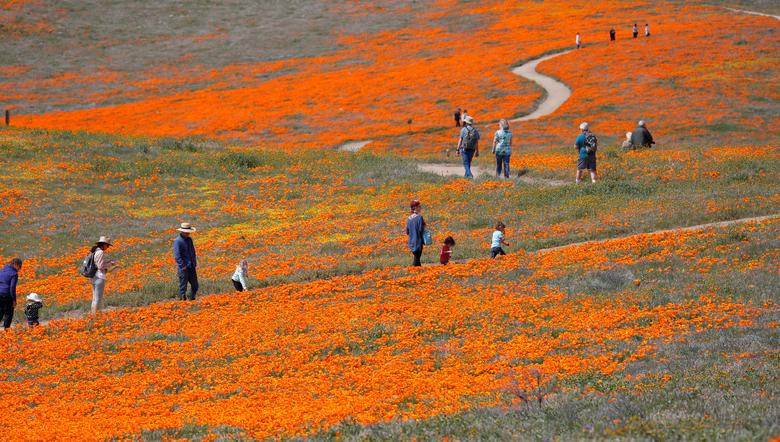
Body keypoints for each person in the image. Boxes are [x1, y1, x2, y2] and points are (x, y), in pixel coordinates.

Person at [90, 236, 118, 314]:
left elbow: (98, 264)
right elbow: (100, 266)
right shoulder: (101, 252)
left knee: (94, 298)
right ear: (104, 244)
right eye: (108, 245)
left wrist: (107, 262)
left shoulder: (95, 251)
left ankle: (93, 315)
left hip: (93, 277)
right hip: (99, 277)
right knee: (97, 299)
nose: (108, 247)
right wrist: (110, 264)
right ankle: (94, 316)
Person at [173, 222, 198, 301]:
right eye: (187, 232)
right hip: (183, 267)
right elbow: (177, 256)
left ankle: (192, 299)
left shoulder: (189, 240)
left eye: (189, 232)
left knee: (195, 285)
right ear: (182, 231)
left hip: (191, 266)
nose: (188, 234)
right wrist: (182, 265)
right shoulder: (178, 241)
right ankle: (182, 302)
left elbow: (193, 251)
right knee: (183, 286)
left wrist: (194, 262)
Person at [0, 258, 22, 331]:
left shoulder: (2, 270)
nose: (19, 269)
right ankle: (7, 331)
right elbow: (12, 288)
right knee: (8, 314)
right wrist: (14, 300)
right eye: (19, 267)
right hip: (7, 295)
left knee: (0, 312)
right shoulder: (14, 273)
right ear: (16, 265)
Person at [405, 200, 426, 267]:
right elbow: (421, 230)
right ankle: (414, 272)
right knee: (417, 261)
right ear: (415, 207)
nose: (420, 208)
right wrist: (424, 226)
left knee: (416, 259)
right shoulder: (419, 217)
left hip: (411, 242)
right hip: (418, 242)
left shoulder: (409, 218)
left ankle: (416, 272)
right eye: (419, 206)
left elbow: (407, 231)